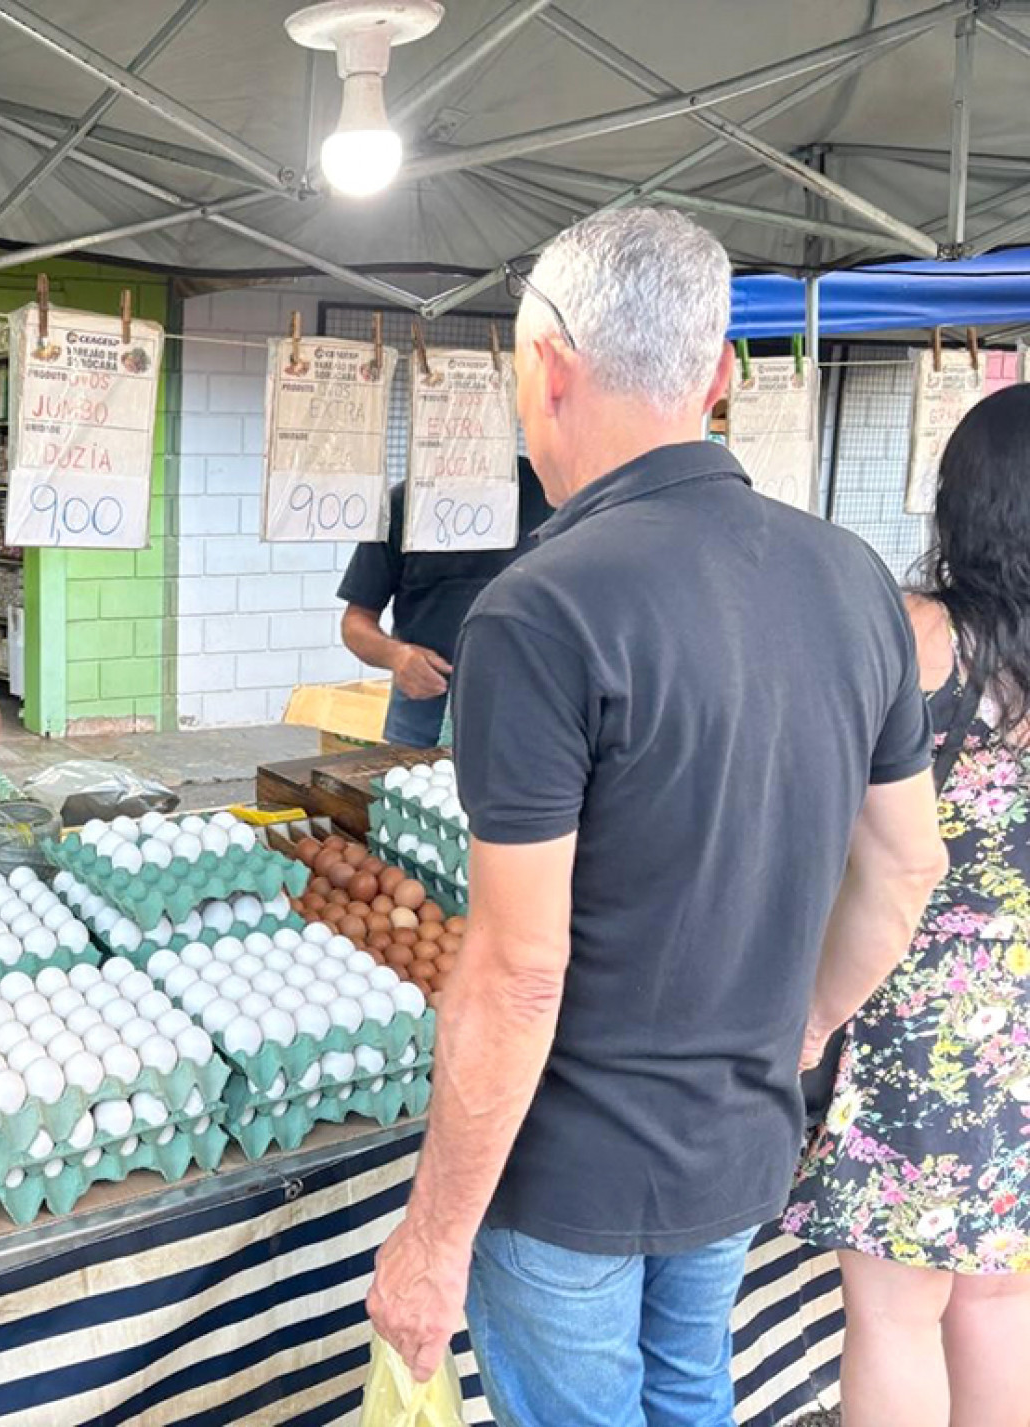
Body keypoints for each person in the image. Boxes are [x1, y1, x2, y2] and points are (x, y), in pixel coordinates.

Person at [364, 206, 948, 1425]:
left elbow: (520, 970)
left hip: (573, 1167)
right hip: (738, 1141)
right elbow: (902, 869)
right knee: (690, 1395)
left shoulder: (541, 611)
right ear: (721, 373)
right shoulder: (852, 578)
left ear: (548, 369)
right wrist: (798, 1030)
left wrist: (431, 1236)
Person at [782, 384, 1030, 1426]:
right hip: (1018, 1008)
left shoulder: (921, 633)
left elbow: (875, 849)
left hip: (913, 1008)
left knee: (891, 1310)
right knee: (1000, 1290)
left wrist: (812, 1014)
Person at [337, 458, 553, 747]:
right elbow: (355, 624)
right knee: (413, 792)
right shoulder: (402, 505)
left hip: (529, 717)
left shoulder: (550, 495)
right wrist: (397, 656)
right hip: (423, 716)